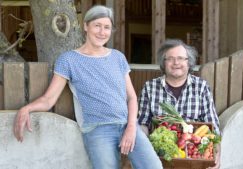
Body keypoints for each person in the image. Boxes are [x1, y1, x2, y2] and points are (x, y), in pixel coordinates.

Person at [13, 5, 163, 169]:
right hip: (98, 130)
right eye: (97, 25)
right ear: (86, 26)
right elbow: (49, 99)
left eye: (106, 27)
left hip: (128, 124)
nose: (102, 32)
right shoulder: (68, 60)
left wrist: (132, 127)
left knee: (154, 166)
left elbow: (132, 97)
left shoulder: (118, 57)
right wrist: (26, 109)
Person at [138, 39, 221, 169]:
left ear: (189, 62)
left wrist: (216, 156)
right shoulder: (150, 88)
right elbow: (143, 124)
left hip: (194, 157)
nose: (176, 63)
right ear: (163, 63)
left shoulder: (201, 87)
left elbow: (213, 127)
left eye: (181, 58)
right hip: (161, 157)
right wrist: (143, 149)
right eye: (170, 59)